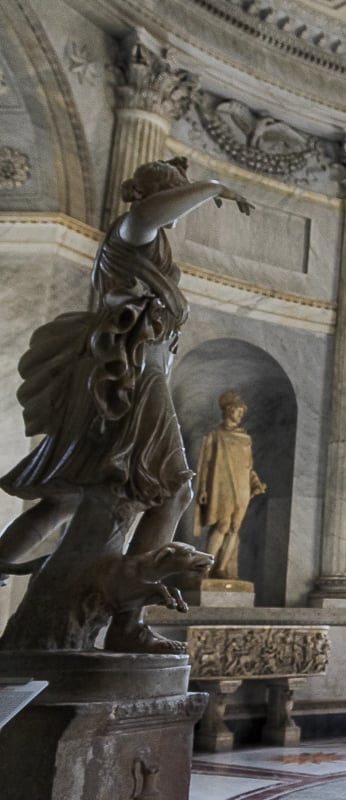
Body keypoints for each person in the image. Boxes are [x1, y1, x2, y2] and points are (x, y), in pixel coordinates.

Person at [0, 157, 252, 651]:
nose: (180, 212)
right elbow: (151, 212)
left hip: (135, 375)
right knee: (172, 491)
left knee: (68, 496)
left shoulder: (149, 246)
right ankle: (127, 625)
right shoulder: (131, 232)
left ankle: (123, 621)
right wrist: (214, 185)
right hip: (132, 378)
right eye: (177, 197)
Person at [193, 390, 267, 579]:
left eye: (242, 411)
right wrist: (202, 488)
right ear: (227, 410)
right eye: (237, 410)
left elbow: (248, 466)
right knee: (222, 524)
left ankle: (222, 568)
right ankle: (205, 567)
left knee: (235, 527)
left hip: (242, 488)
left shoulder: (245, 438)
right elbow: (205, 464)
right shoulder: (214, 435)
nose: (240, 414)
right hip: (221, 486)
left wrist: (255, 483)